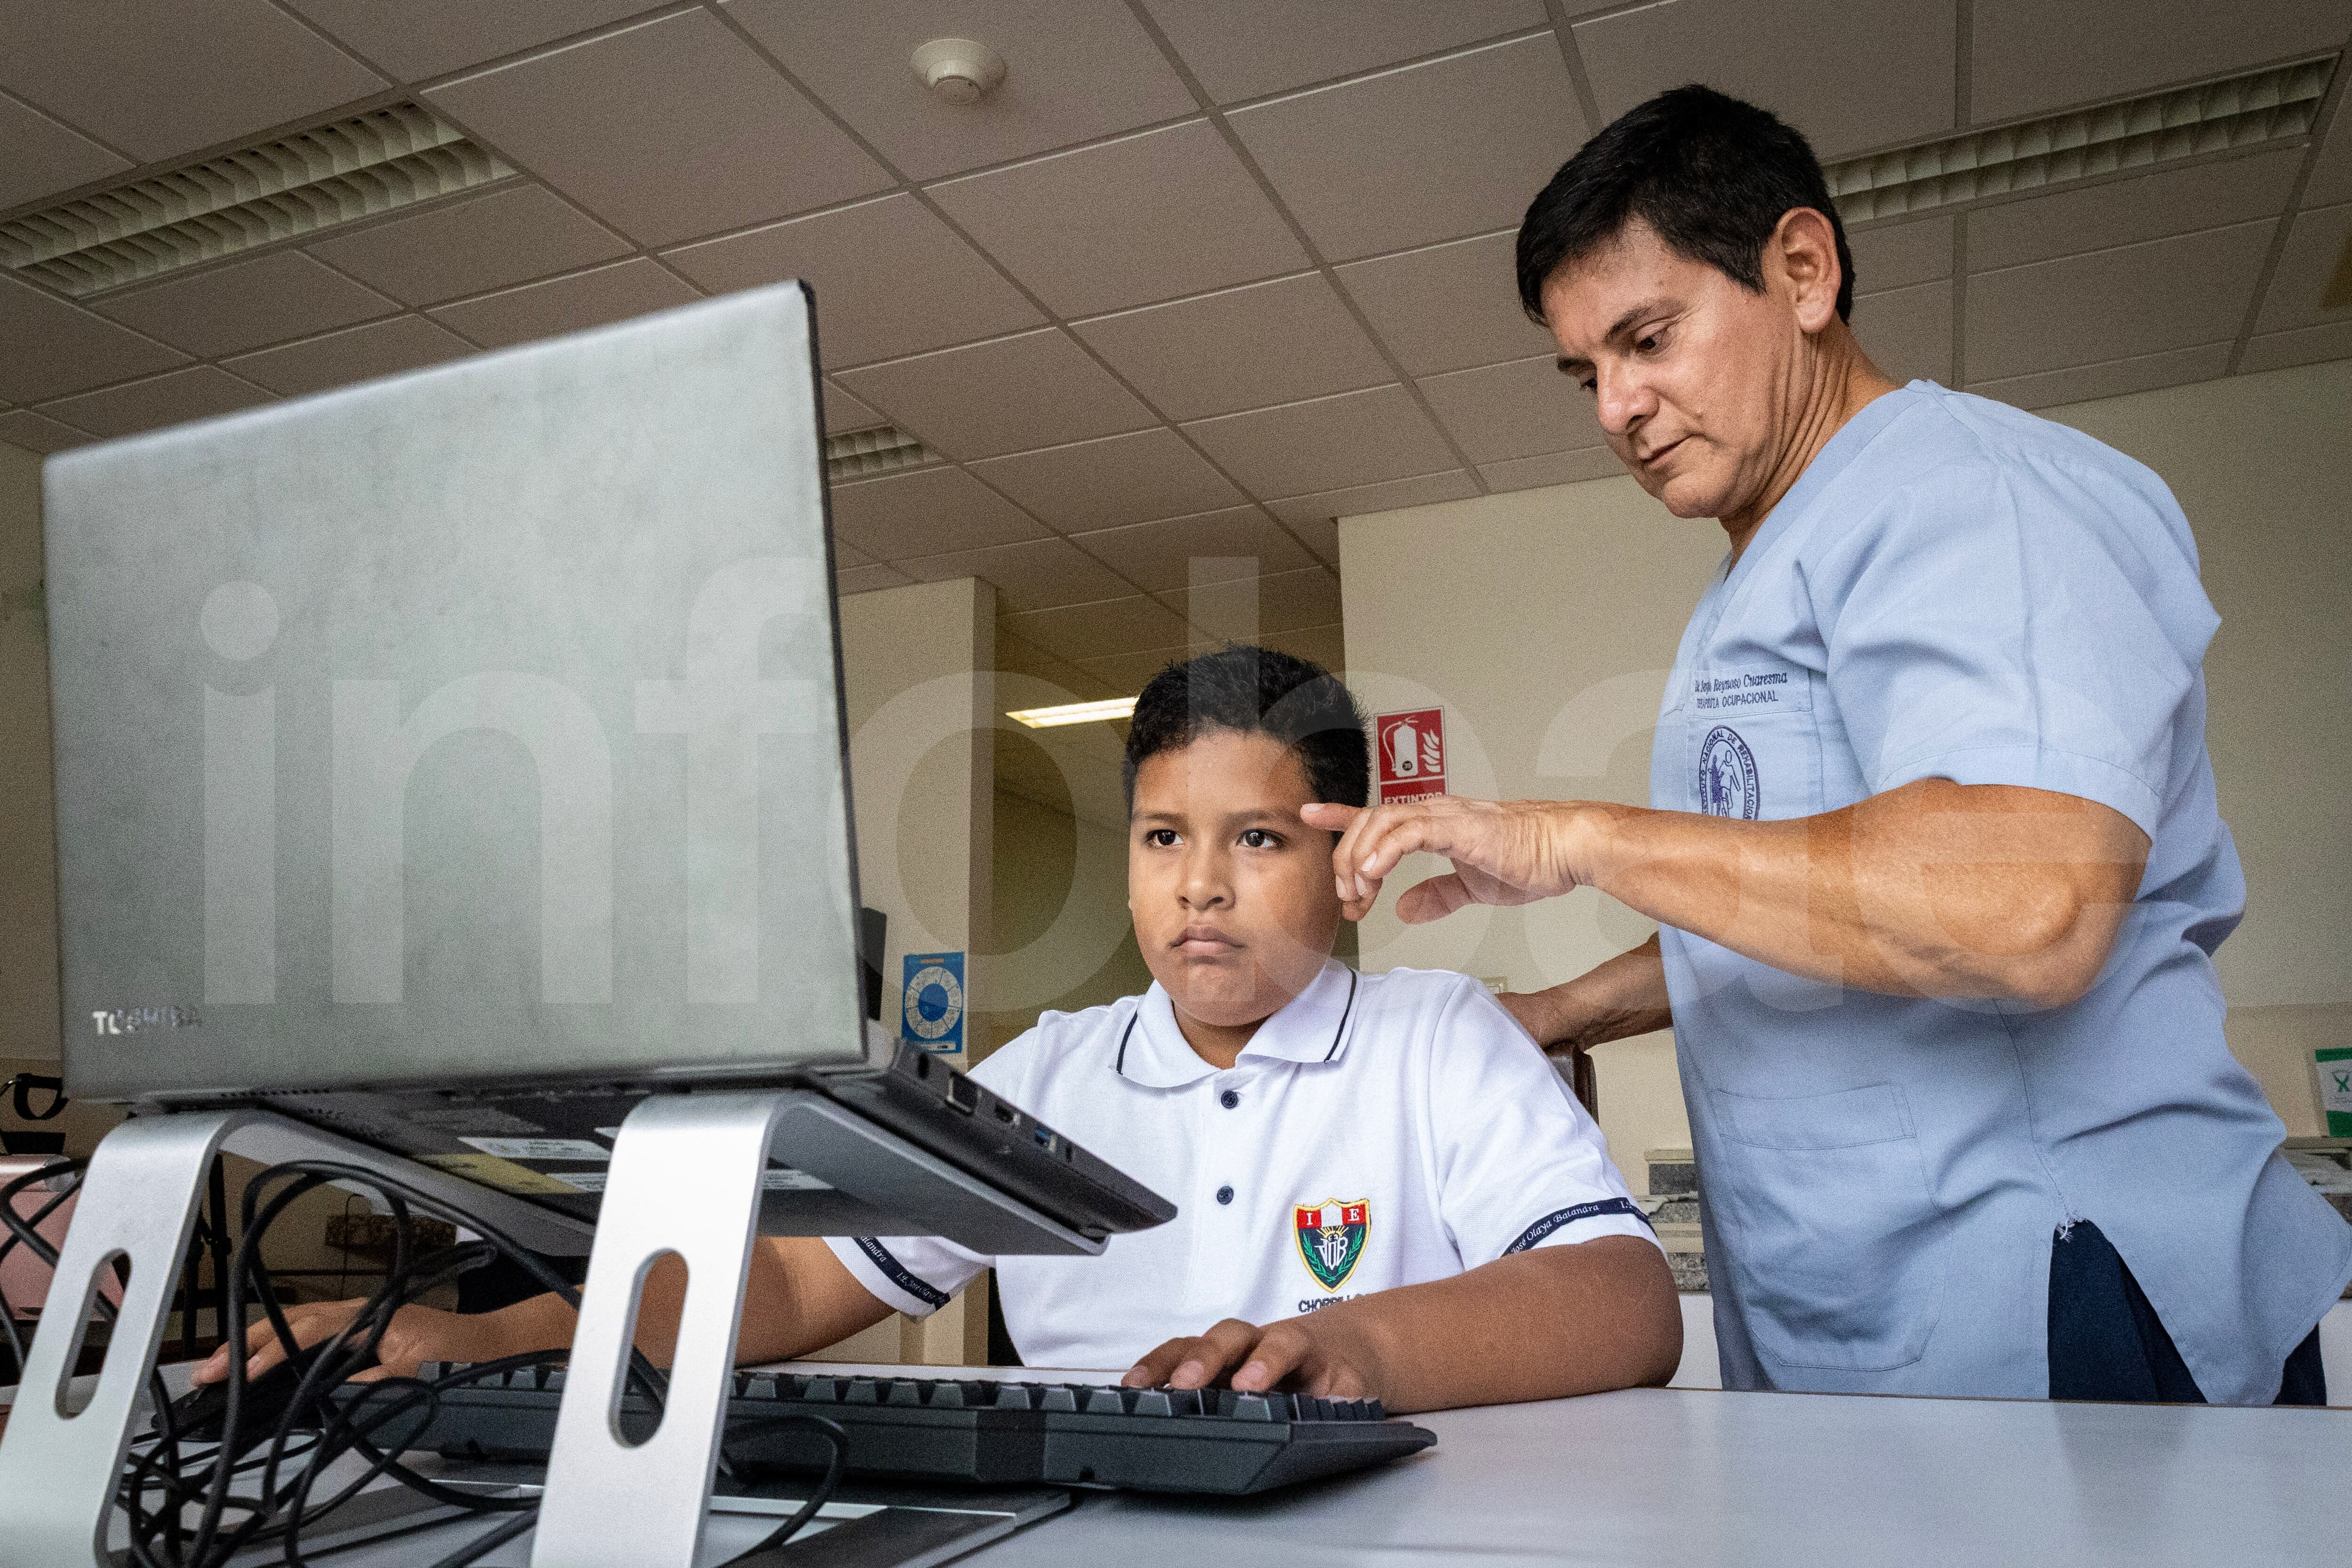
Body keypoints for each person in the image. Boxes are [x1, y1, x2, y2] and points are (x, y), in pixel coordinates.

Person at [1303, 86, 2350, 1405]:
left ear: (1803, 270)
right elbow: (1820, 910)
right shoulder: (1762, 576)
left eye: (1648, 338)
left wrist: (1580, 836)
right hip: (1873, 1327)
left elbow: (2026, 904)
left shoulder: (1967, 496)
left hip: (2063, 1292)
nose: (1618, 407)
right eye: (1588, 373)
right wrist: (1554, 1017)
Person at [198, 646, 1679, 1412]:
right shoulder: (1052, 1078)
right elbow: (782, 1289)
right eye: (1163, 838)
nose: (1202, 888)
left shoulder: (1439, 1037)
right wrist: (479, 1339)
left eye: (1259, 841)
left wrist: (1337, 1347)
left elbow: (1625, 1302)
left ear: (1350, 856)